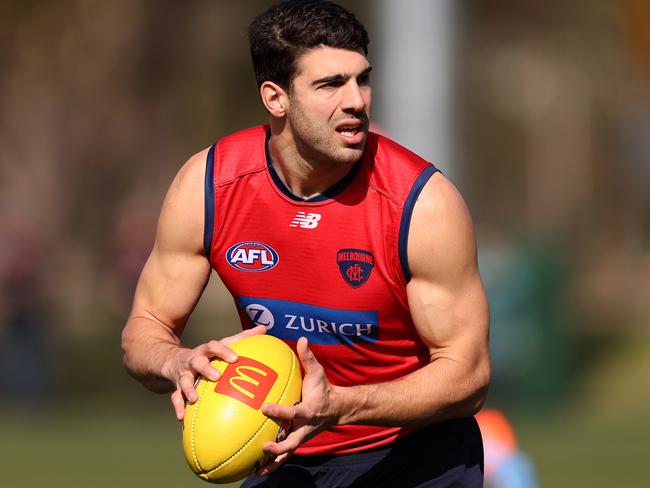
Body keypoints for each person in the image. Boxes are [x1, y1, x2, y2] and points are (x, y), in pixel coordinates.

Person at [121, 1, 491, 486]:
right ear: (275, 99)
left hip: (414, 457)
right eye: (330, 85)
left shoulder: (422, 204)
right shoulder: (209, 185)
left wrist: (342, 404)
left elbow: (469, 374)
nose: (357, 100)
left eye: (362, 79)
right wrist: (175, 362)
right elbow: (142, 331)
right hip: (280, 453)